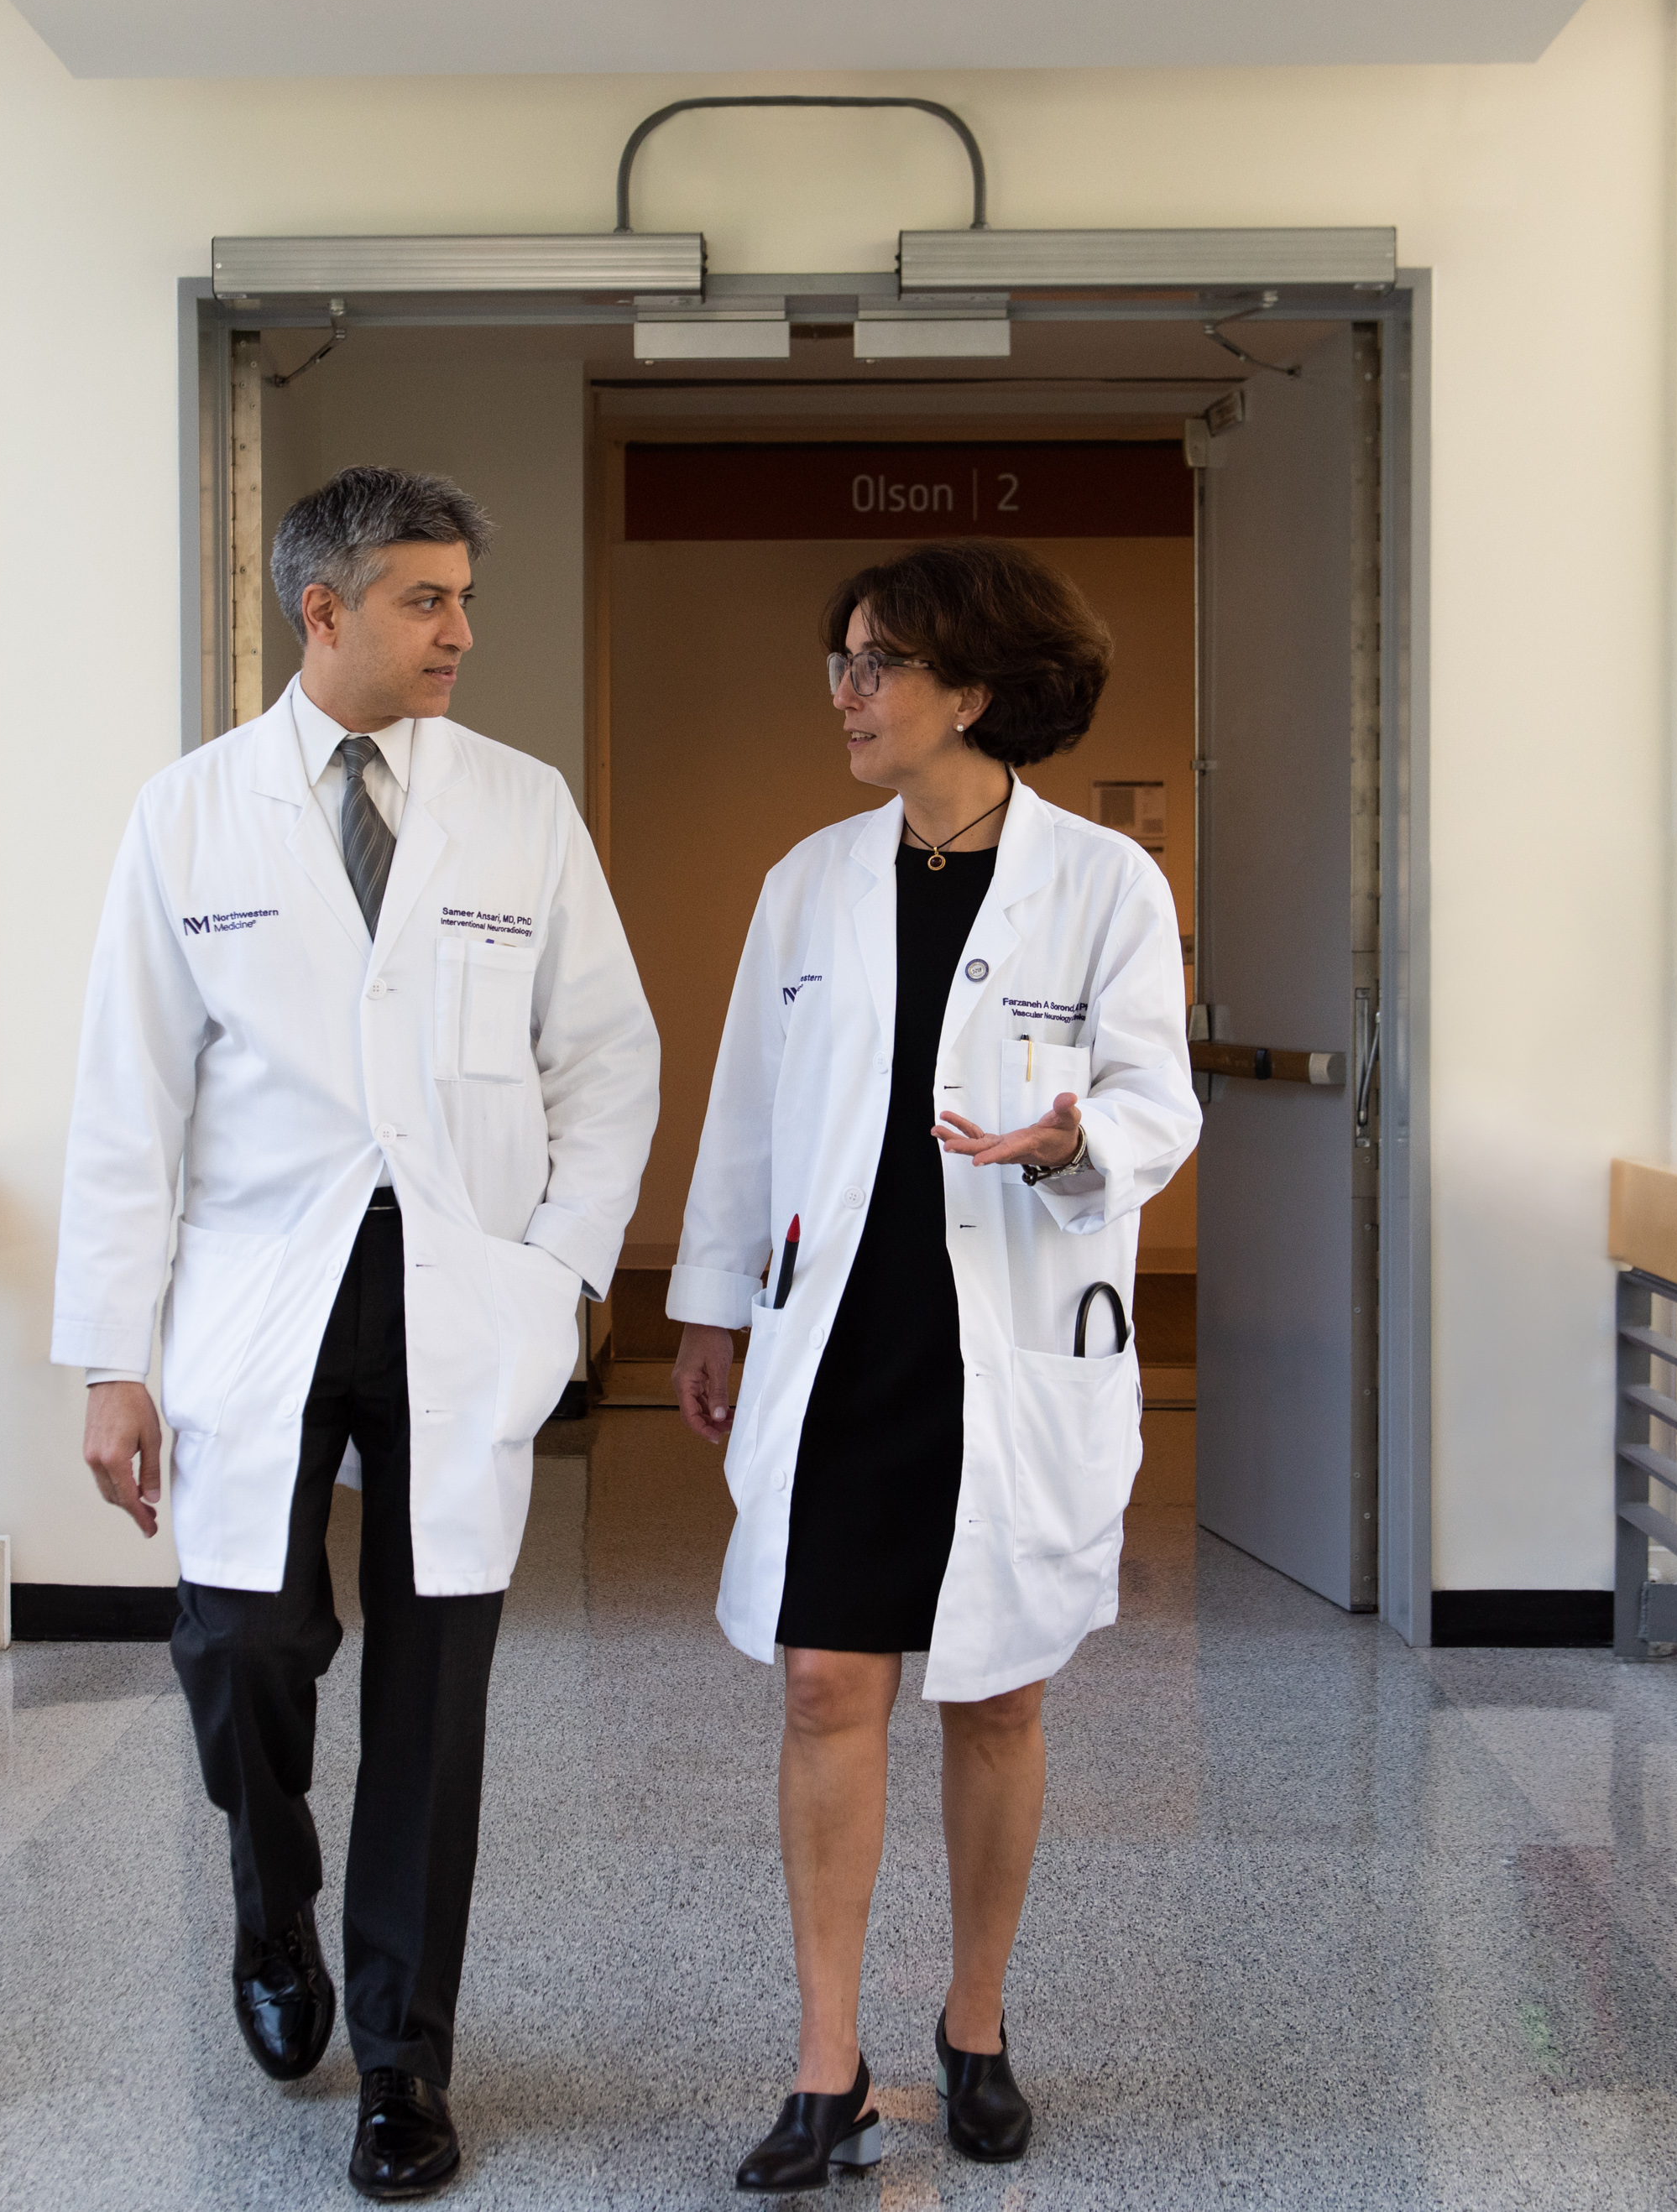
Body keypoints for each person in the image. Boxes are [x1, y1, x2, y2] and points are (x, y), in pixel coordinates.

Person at [56, 466, 660, 2203]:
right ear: (320, 613)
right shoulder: (190, 817)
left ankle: (403, 2052)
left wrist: (559, 1279)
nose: (462, 629)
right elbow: (128, 1099)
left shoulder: (522, 808)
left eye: (466, 596)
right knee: (239, 1635)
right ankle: (272, 1894)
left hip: (464, 1291)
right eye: (424, 599)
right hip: (260, 1290)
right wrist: (115, 1355)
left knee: (435, 1681)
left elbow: (608, 1059)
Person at [667, 537, 1200, 2194]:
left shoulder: (1105, 884)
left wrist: (1069, 1137)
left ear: (973, 689)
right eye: (840, 660)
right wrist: (706, 1305)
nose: (847, 691)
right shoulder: (807, 882)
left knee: (998, 1686)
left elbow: (1158, 1103)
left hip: (1008, 1339)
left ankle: (975, 2025)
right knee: (827, 1678)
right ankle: (827, 2061)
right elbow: (749, 1111)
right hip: (844, 1342)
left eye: (876, 662)